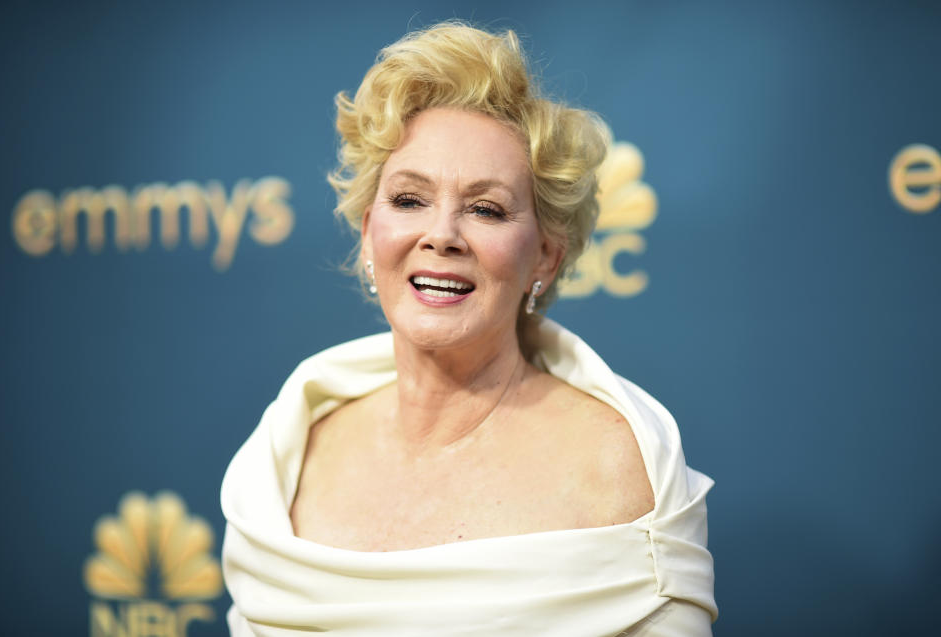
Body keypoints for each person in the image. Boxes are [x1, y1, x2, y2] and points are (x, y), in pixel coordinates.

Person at [221, 21, 716, 636]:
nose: (442, 235)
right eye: (409, 200)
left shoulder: (618, 466)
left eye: (485, 208)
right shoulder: (286, 453)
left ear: (545, 257)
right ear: (368, 232)